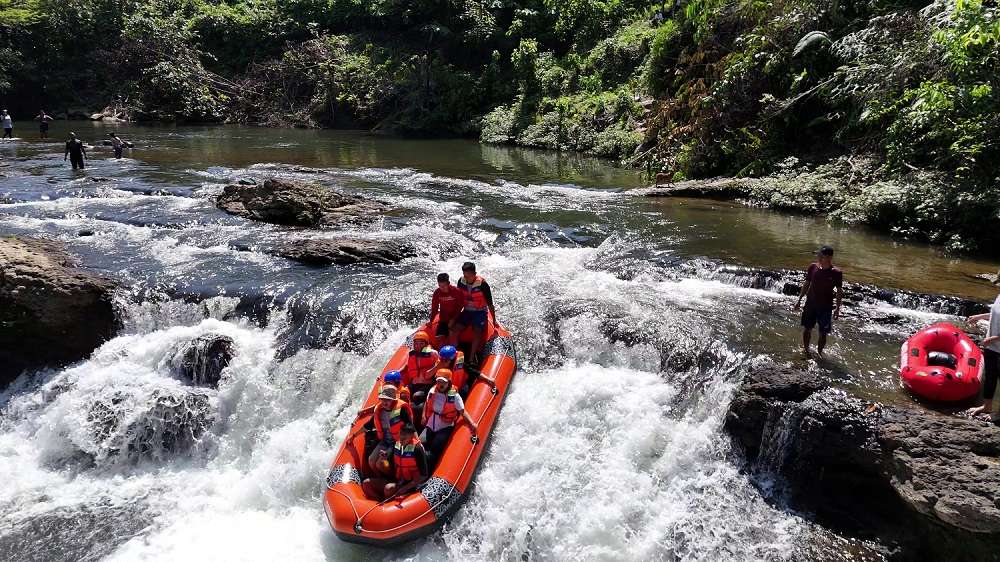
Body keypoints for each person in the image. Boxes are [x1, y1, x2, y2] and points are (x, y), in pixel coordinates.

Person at [793, 246, 843, 357]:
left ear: (829, 258)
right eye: (819, 255)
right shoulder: (813, 267)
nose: (818, 257)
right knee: (807, 329)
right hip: (810, 304)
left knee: (823, 333)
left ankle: (820, 354)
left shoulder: (836, 273)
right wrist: (799, 300)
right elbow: (806, 284)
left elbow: (839, 292)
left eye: (821, 255)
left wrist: (837, 309)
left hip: (826, 307)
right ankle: (806, 350)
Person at [421, 369, 478, 466]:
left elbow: (462, 411)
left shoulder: (455, 396)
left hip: (445, 426)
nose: (441, 384)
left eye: (443, 382)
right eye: (439, 382)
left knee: (434, 450)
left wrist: (472, 424)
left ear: (449, 382)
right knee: (422, 443)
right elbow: (427, 403)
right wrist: (423, 416)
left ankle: (430, 467)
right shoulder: (432, 391)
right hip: (431, 423)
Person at [362, 424, 428, 500]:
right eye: (400, 436)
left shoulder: (417, 449)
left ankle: (387, 504)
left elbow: (424, 475)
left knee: (388, 488)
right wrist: (383, 458)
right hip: (397, 480)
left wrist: (406, 488)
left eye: (404, 438)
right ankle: (380, 502)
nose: (401, 440)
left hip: (410, 484)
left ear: (411, 436)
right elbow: (389, 464)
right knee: (366, 483)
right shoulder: (396, 444)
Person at [450, 262, 499, 365]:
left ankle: (471, 358)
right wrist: (454, 317)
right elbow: (459, 300)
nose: (467, 278)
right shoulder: (461, 281)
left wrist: (494, 321)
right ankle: (452, 356)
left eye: (469, 275)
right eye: (465, 275)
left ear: (475, 273)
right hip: (467, 311)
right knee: (455, 330)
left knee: (477, 332)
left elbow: (490, 304)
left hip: (480, 312)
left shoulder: (483, 284)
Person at [364, 385, 414, 478]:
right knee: (371, 460)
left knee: (380, 463)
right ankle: (380, 478)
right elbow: (368, 426)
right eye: (383, 399)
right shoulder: (379, 411)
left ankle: (392, 478)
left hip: (397, 441)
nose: (384, 402)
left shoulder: (401, 410)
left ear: (393, 400)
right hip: (385, 441)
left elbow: (410, 426)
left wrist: (414, 442)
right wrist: (354, 435)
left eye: (387, 400)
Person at [967, 294, 1000, 422]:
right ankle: (987, 406)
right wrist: (979, 317)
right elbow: (995, 315)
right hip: (991, 346)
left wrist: (993, 339)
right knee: (990, 376)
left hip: (994, 344)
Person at [401, 331, 440, 409]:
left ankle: (423, 408)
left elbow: (439, 366)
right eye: (416, 343)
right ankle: (407, 411)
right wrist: (397, 372)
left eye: (421, 343)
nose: (418, 346)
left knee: (417, 396)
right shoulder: (412, 354)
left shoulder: (433, 353)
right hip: (414, 384)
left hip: (427, 384)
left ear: (426, 344)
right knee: (403, 394)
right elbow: (407, 366)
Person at [430, 272, 465, 342]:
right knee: (438, 338)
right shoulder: (437, 293)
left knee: (452, 333)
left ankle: (454, 349)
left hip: (456, 317)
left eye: (444, 286)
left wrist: (453, 319)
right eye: (440, 285)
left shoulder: (456, 291)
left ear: (448, 283)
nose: (442, 288)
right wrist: (431, 321)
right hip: (444, 319)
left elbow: (460, 306)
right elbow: (434, 308)